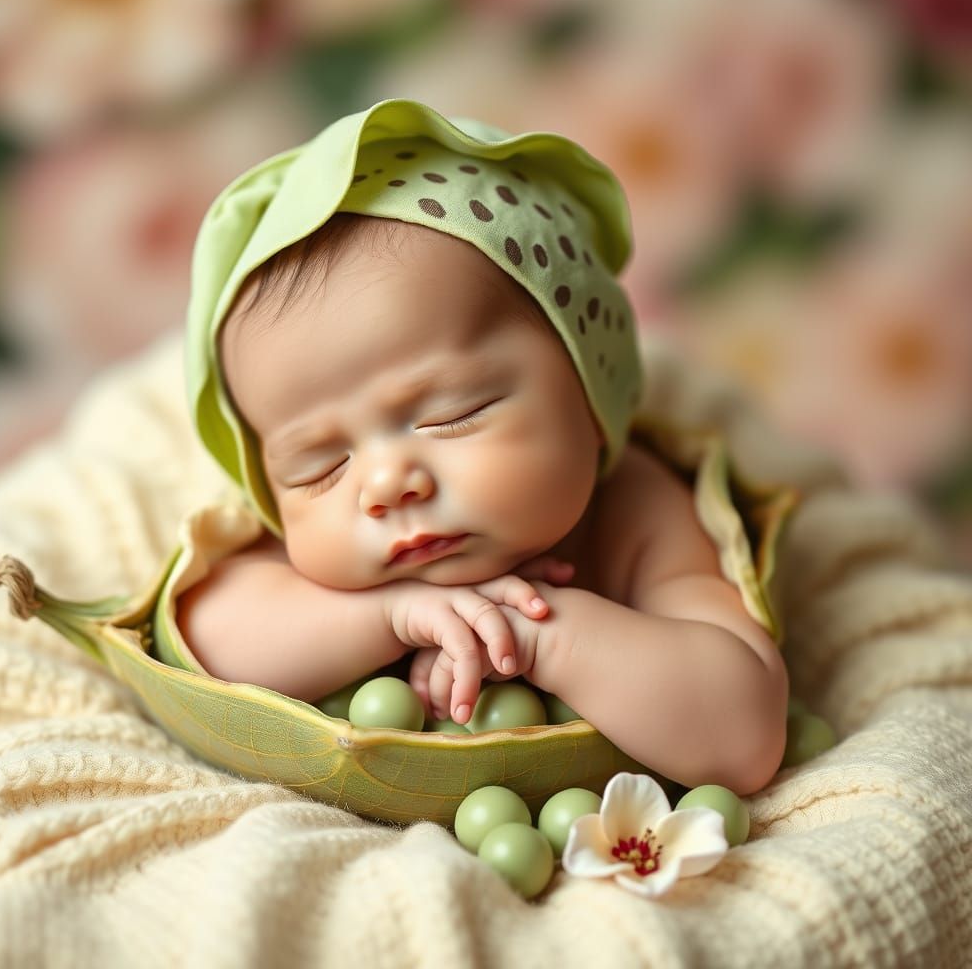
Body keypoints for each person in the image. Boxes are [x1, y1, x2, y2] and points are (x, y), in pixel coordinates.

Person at [178, 99, 788, 795]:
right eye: (319, 466)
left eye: (450, 414)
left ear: (590, 393)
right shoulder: (338, 575)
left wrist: (537, 634)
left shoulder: (634, 513)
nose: (384, 484)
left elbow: (744, 734)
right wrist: (389, 616)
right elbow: (202, 639)